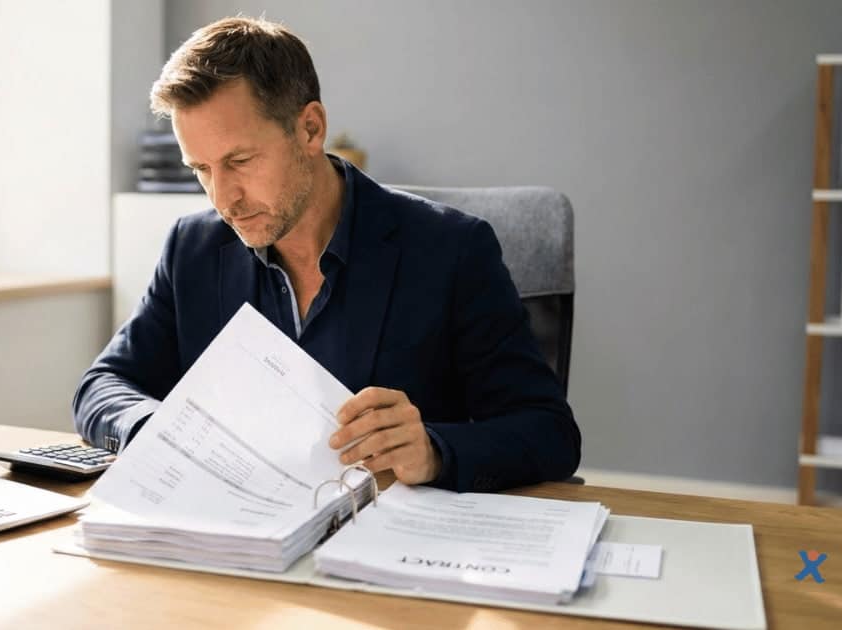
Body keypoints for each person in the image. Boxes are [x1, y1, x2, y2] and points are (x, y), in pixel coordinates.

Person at [74, 16, 580, 492]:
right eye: (201, 169)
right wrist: (162, 429)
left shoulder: (452, 250)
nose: (223, 198)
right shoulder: (193, 248)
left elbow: (549, 432)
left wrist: (432, 450)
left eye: (240, 160)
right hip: (239, 546)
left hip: (387, 553)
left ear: (310, 129)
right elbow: (102, 386)